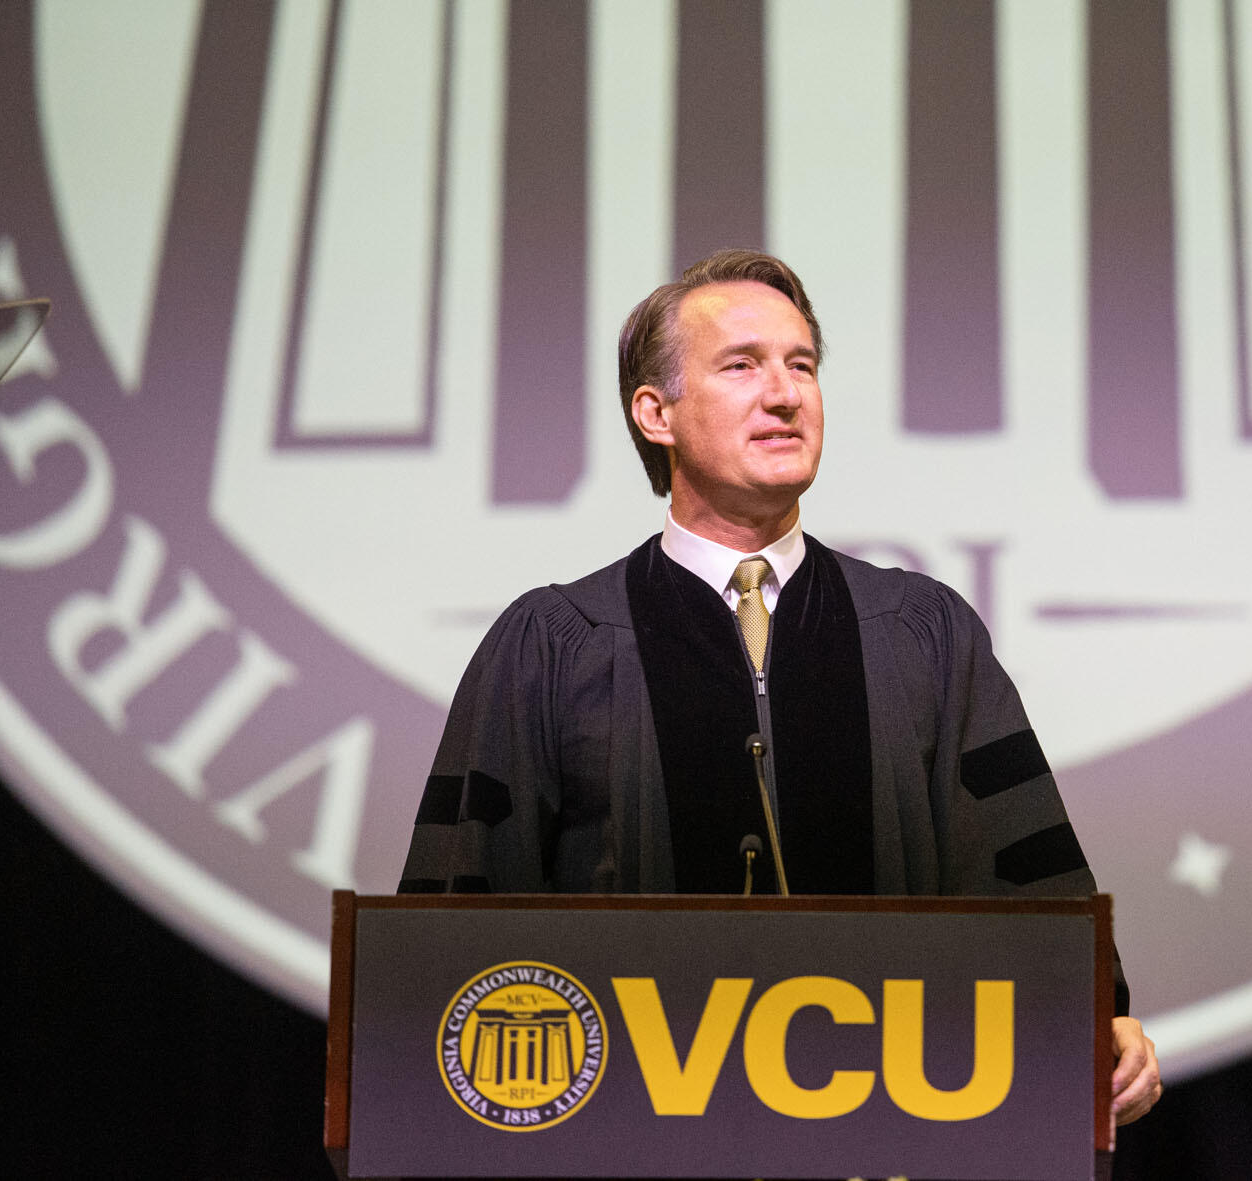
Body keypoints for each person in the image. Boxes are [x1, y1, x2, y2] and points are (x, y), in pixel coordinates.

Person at [400, 249, 1161, 1132]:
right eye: (741, 365)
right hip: (627, 1138)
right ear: (656, 413)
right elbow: (453, 929)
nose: (786, 393)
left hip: (889, 1133)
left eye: (802, 364)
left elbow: (1020, 874)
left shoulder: (923, 632)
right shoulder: (553, 646)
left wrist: (1096, 1009)